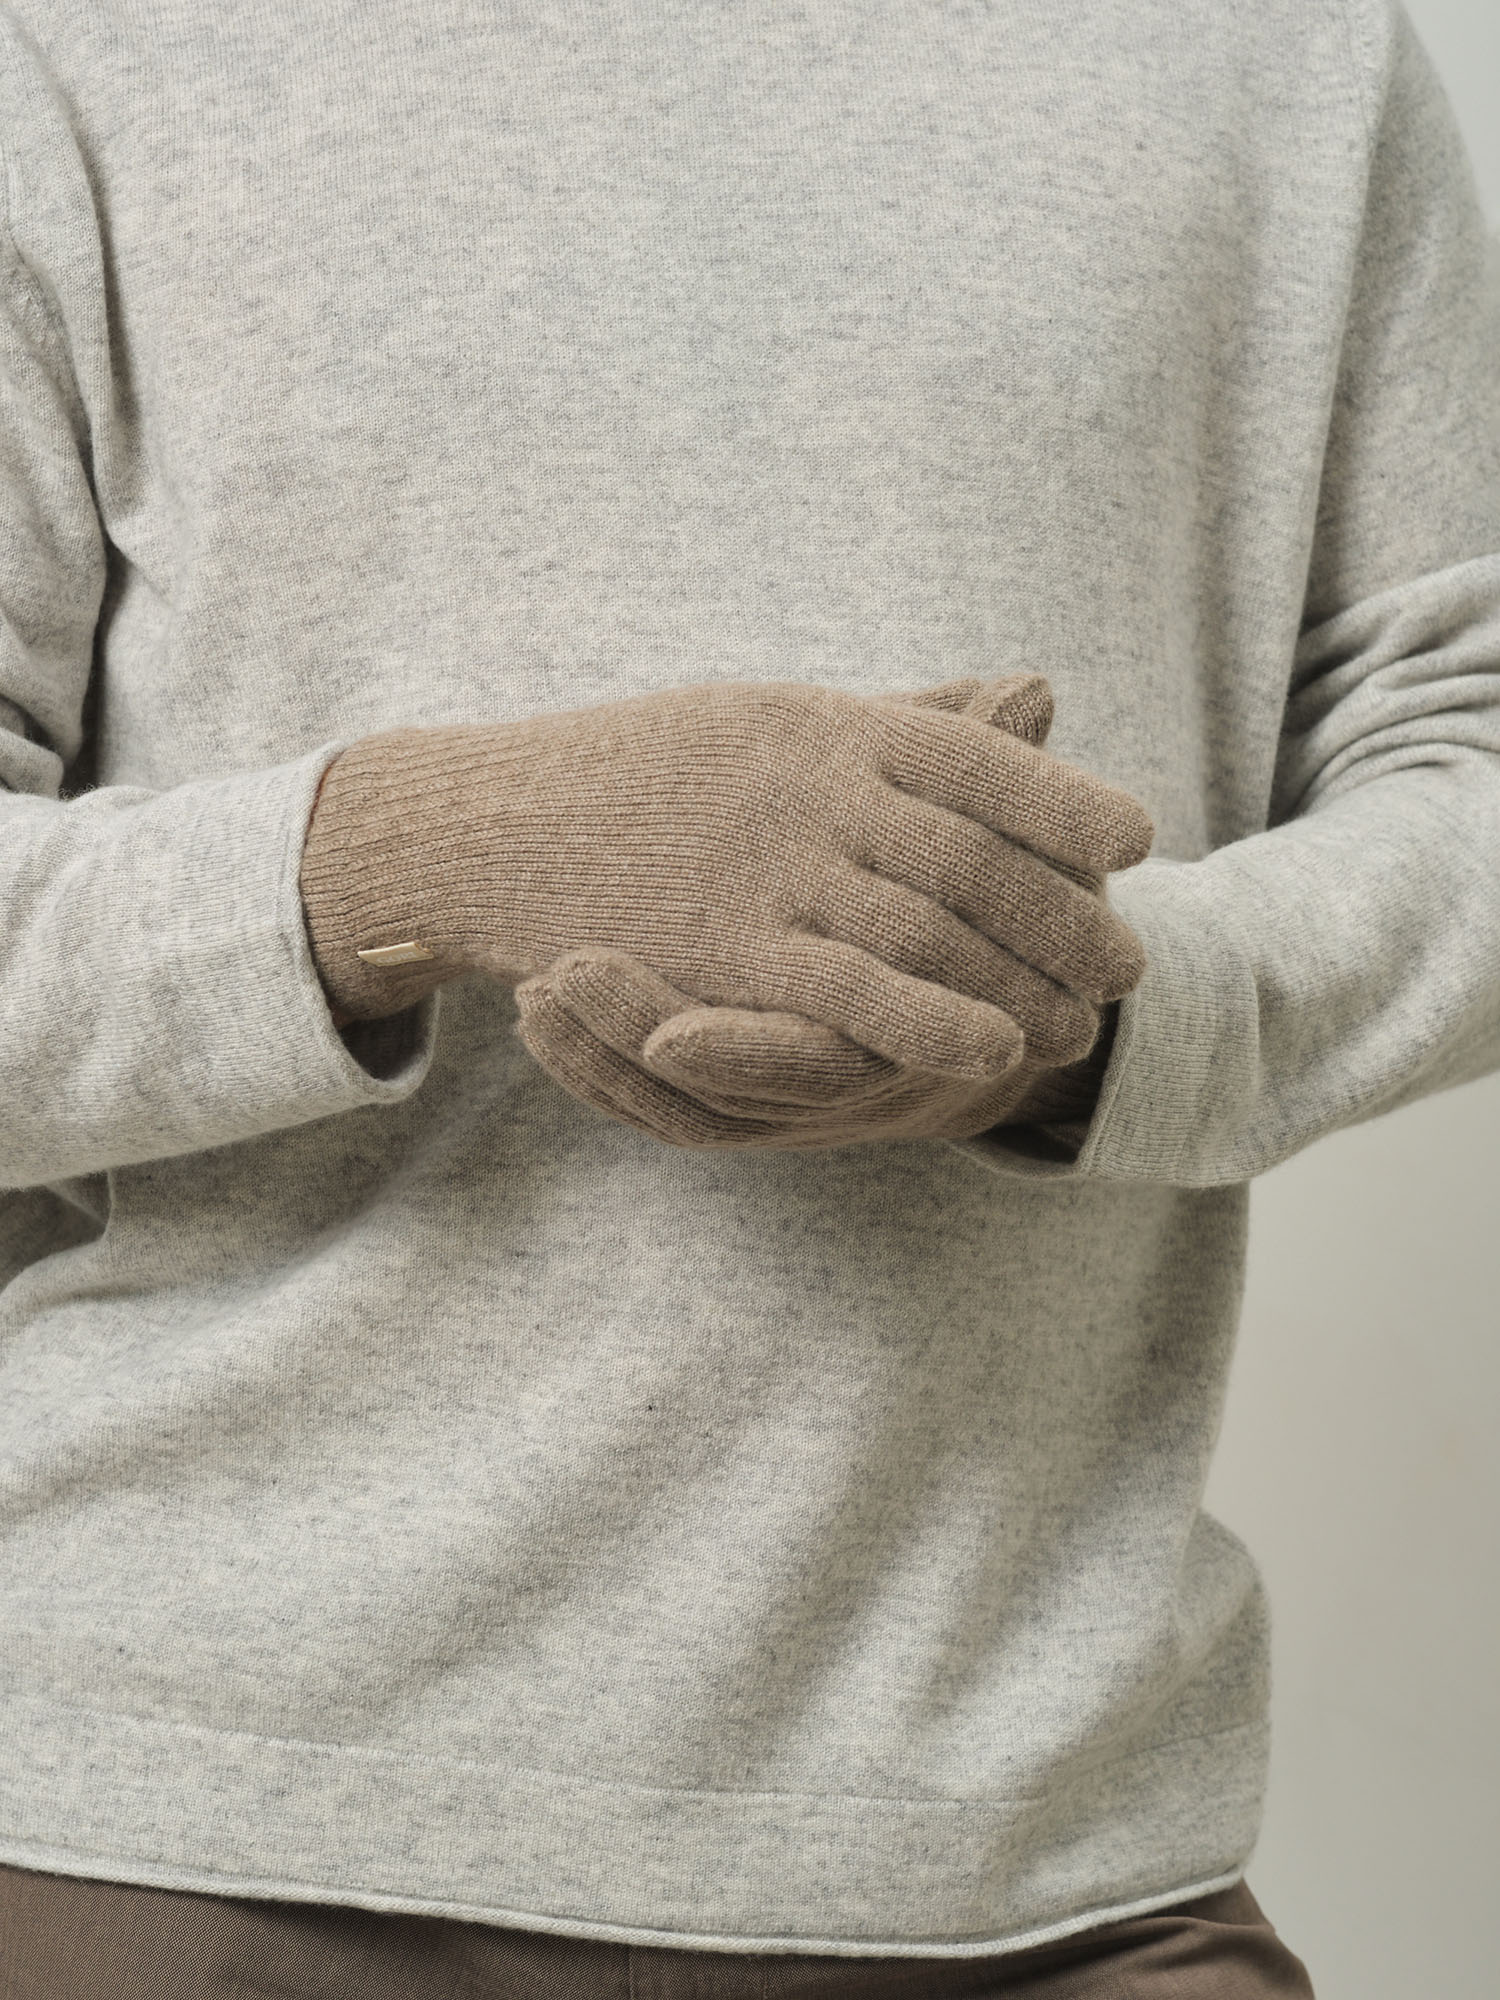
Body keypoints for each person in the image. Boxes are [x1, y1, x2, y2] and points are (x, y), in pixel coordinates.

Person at [1, 0, 1495, 1992]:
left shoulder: (1290, 49)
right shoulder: (71, 51)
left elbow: (1469, 752)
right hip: (174, 1833)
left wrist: (1083, 1005)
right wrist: (433, 848)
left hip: (1028, 1851)